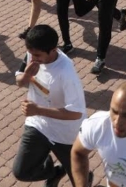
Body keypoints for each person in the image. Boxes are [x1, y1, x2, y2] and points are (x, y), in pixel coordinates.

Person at [13, 25, 86, 186]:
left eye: (37, 55)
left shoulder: (66, 73)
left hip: (65, 134)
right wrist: (26, 75)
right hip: (38, 125)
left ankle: (80, 174)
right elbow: (19, 81)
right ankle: (54, 171)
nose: (33, 58)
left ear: (53, 50)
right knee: (22, 172)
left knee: (80, 183)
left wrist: (38, 110)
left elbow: (75, 113)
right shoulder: (33, 52)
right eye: (31, 54)